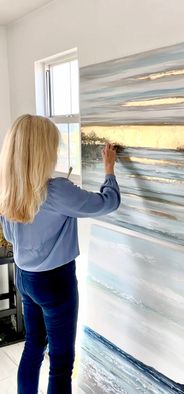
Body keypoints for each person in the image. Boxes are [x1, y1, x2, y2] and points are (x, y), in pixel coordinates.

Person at [0, 114, 120, 394]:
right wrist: (109, 170)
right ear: (43, 151)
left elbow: (9, 235)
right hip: (56, 283)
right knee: (61, 360)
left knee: (33, 346)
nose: (56, 152)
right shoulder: (56, 190)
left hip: (25, 278)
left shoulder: (8, 190)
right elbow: (108, 203)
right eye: (53, 146)